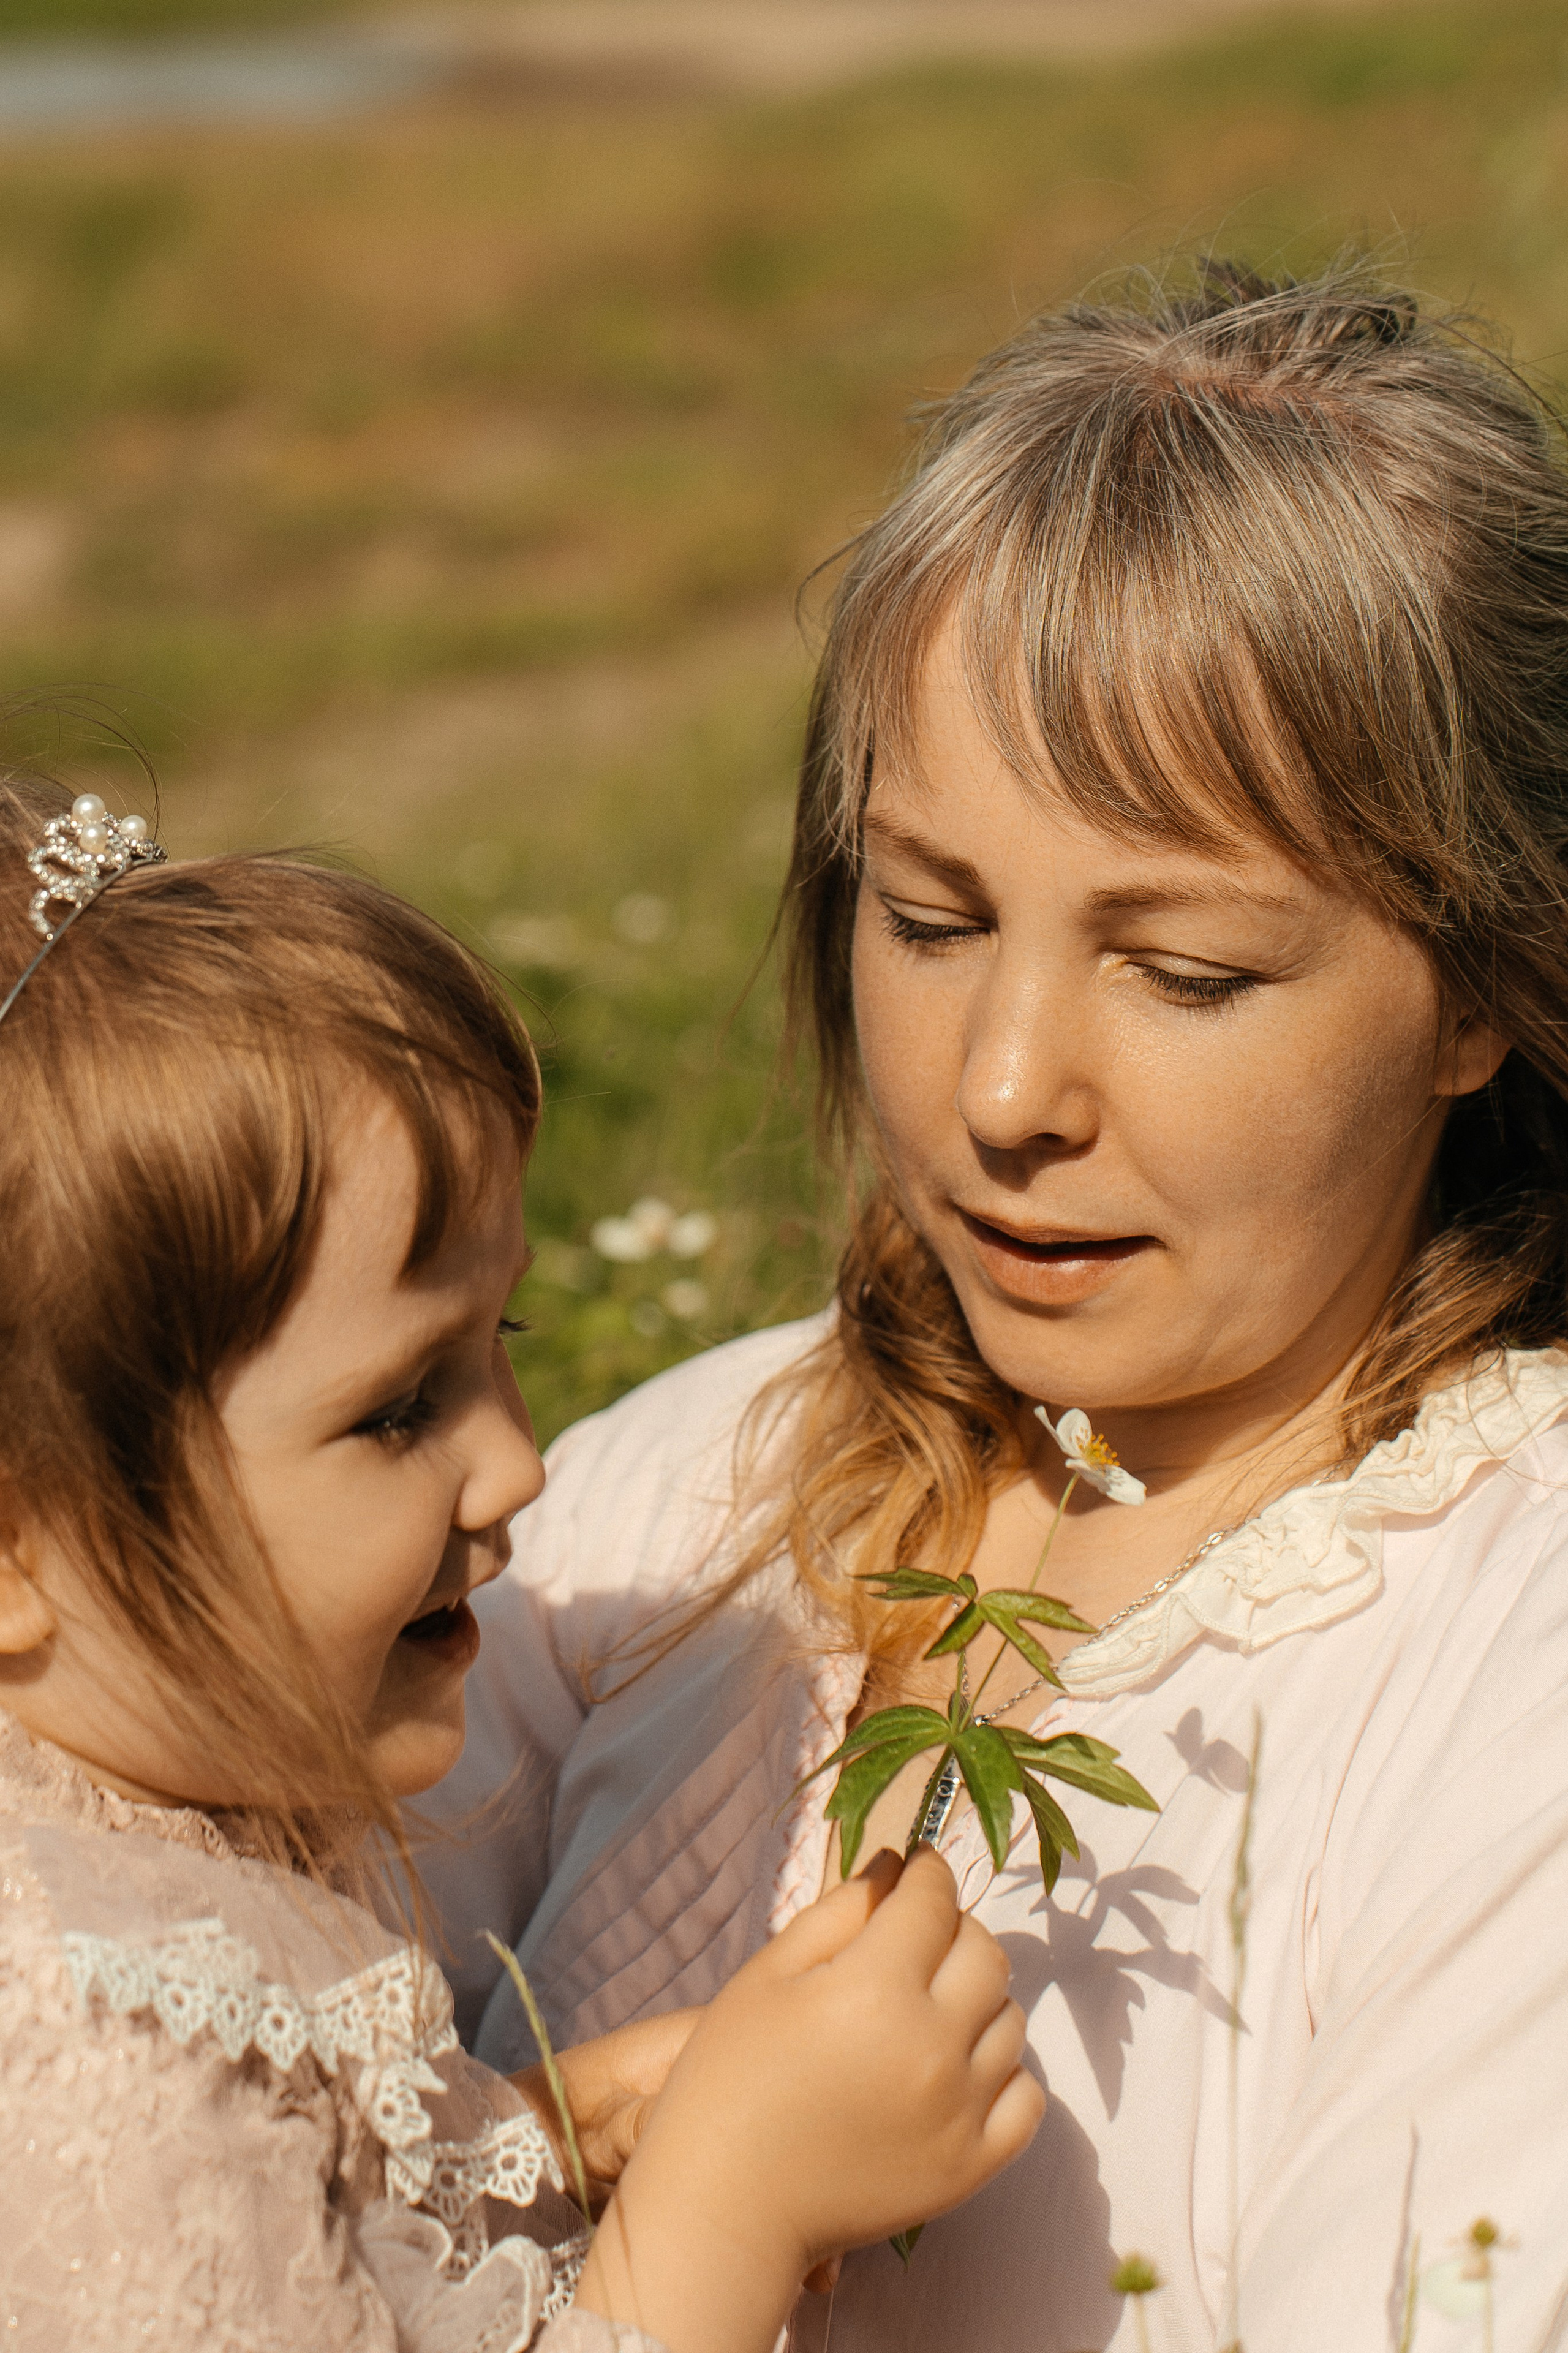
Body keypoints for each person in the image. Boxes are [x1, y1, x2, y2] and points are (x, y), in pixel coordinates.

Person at [423, 261, 1568, 2353]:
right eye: (929, 916)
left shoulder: (1512, 1640)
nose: (1004, 1090)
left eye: (1189, 970)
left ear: (1486, 982)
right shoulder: (681, 1481)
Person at [0, 771, 1044, 2353]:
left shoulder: (150, 1821)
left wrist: (539, 2134)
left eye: (510, 1337)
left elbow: (319, 2252)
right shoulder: (90, 2041)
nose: (520, 1462)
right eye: (398, 1407)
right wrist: (727, 2203)